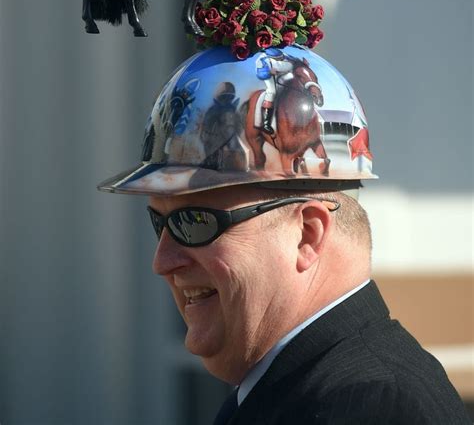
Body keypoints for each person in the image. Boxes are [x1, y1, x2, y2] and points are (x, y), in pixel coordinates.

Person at [98, 45, 470, 424]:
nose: (162, 262)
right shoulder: (293, 387)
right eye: (159, 223)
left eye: (194, 222)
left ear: (307, 235)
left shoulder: (368, 405)